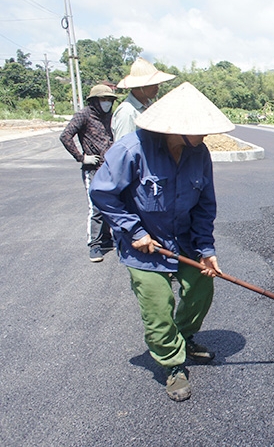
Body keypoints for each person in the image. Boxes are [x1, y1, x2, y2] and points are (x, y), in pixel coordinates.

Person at [89, 82, 234, 402]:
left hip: (183, 240)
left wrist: (206, 249)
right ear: (176, 128)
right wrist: (134, 230)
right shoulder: (131, 150)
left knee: (201, 287)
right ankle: (172, 363)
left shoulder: (199, 153)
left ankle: (182, 336)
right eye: (200, 130)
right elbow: (101, 192)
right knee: (157, 307)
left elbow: (204, 205)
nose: (206, 136)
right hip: (144, 244)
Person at [59, 84, 118, 262]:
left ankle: (106, 239)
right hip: (93, 169)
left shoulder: (109, 116)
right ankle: (95, 244)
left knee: (110, 204)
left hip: (109, 168)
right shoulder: (83, 115)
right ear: (94, 101)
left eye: (109, 100)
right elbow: (65, 136)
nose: (106, 103)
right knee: (96, 207)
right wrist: (81, 157)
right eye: (103, 99)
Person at [111, 57, 176, 141]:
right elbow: (124, 147)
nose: (157, 88)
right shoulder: (127, 112)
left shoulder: (150, 107)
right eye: (153, 84)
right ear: (141, 86)